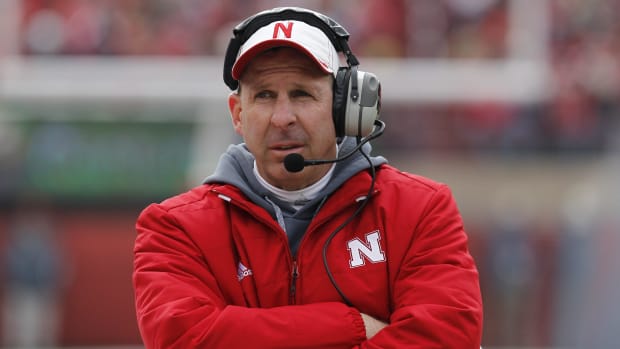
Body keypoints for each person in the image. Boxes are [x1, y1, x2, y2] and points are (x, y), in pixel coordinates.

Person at [133, 6, 483, 348]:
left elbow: (448, 339)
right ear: (238, 114)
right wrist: (353, 324)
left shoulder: (420, 210)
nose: (282, 117)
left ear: (343, 108)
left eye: (301, 94)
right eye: (264, 96)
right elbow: (182, 340)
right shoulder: (173, 229)